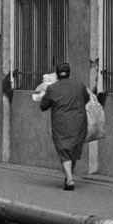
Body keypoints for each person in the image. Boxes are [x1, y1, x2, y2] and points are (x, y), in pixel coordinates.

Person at [37, 60, 90, 190]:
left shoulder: (53, 88)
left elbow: (43, 105)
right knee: (73, 149)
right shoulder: (79, 85)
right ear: (69, 73)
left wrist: (42, 96)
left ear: (57, 74)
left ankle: (70, 179)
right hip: (79, 121)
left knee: (63, 150)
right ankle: (69, 177)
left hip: (61, 122)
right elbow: (87, 98)